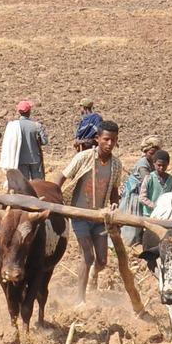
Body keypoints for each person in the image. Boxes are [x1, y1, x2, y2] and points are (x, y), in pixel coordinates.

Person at [58, 121, 122, 301]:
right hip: (79, 215)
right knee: (87, 256)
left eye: (114, 140)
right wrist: (55, 198)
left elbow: (115, 191)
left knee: (101, 261)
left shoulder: (116, 165)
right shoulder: (83, 158)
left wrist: (114, 204)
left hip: (99, 217)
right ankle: (80, 299)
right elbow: (62, 177)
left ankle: (93, 275)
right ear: (97, 139)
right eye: (106, 139)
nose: (110, 144)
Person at [120, 147, 172, 265]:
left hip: (165, 215)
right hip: (150, 213)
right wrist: (155, 206)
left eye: (164, 166)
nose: (161, 168)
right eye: (159, 165)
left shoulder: (171, 180)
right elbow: (142, 197)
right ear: (154, 164)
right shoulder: (149, 178)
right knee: (150, 238)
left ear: (168, 165)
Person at [0, 100, 47, 192]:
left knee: (24, 184)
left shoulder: (13, 126)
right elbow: (44, 141)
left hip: (20, 160)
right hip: (35, 159)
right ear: (29, 111)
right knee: (38, 183)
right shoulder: (36, 125)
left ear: (19, 112)